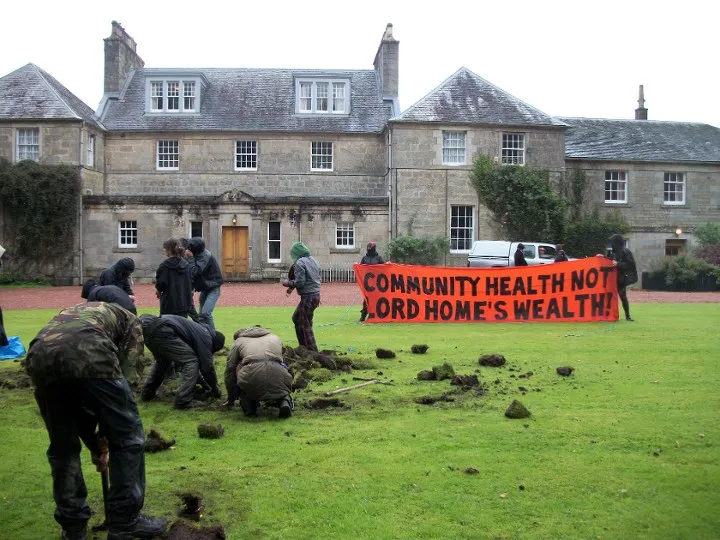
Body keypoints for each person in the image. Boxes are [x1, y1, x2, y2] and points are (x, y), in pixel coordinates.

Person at [24, 302, 167, 540]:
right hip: (91, 354)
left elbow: (80, 406)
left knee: (63, 447)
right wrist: (113, 428)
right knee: (129, 438)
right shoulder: (131, 320)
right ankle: (125, 520)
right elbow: (127, 373)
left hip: (41, 358)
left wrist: (97, 443)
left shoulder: (74, 313)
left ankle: (73, 526)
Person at [139, 314, 224, 409]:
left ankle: (147, 393)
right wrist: (214, 387)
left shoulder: (198, 331)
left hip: (149, 327)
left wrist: (204, 384)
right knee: (191, 361)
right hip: (163, 329)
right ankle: (183, 401)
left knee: (163, 361)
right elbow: (207, 367)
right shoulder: (206, 338)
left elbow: (194, 368)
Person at [224, 327, 294, 418]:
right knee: (281, 388)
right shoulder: (274, 337)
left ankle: (249, 408)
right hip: (278, 372)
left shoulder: (239, 341)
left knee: (241, 369)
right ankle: (285, 401)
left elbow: (230, 368)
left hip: (252, 376)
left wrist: (231, 397)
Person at [282, 242, 321, 351]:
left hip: (308, 297)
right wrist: (290, 289)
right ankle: (303, 347)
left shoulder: (299, 263)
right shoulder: (313, 260)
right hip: (316, 296)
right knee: (297, 318)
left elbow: (300, 282)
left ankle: (312, 351)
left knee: (305, 324)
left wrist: (287, 283)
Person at [185, 238, 223, 330]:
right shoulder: (197, 255)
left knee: (205, 313)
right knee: (201, 317)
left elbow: (195, 272)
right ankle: (205, 337)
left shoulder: (205, 256)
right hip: (205, 288)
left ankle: (214, 338)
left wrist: (190, 258)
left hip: (213, 287)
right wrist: (191, 288)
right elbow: (191, 275)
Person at [156, 237, 196, 319]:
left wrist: (158, 291)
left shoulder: (164, 266)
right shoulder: (186, 264)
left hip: (169, 304)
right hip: (184, 303)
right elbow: (191, 281)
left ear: (169, 250)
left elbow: (160, 284)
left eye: (165, 249)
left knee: (169, 328)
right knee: (182, 328)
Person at [609, 233, 637, 321]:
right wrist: (602, 257)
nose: (612, 244)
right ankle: (608, 315)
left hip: (621, 278)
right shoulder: (612, 252)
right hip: (611, 278)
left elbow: (630, 264)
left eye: (613, 242)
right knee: (609, 297)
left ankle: (627, 316)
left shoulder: (625, 251)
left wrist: (618, 264)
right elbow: (608, 261)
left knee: (623, 297)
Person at [359, 241, 384, 322]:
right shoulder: (364, 258)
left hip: (376, 283)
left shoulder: (378, 258)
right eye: (368, 248)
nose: (369, 249)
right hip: (367, 283)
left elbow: (384, 269)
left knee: (375, 300)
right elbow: (360, 269)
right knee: (366, 300)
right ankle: (363, 316)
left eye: (370, 248)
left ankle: (372, 315)